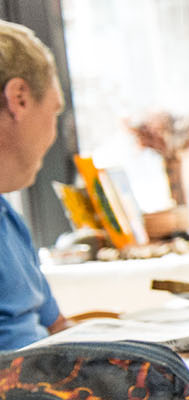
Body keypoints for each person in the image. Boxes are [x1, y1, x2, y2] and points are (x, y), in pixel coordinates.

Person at [0, 21, 72, 351]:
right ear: (20, 99)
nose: (53, 134)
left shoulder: (8, 218)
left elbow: (58, 328)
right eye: (54, 111)